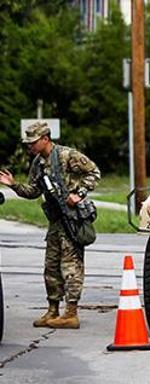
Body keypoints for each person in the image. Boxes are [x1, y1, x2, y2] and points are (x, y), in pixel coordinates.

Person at [0, 121, 100, 329]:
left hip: (72, 219)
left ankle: (71, 313)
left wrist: (78, 193)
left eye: (33, 142)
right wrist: (14, 185)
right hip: (55, 222)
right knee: (51, 267)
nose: (30, 147)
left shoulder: (68, 155)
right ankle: (52, 310)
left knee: (71, 267)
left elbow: (94, 173)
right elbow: (33, 191)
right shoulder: (38, 162)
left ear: (45, 138)